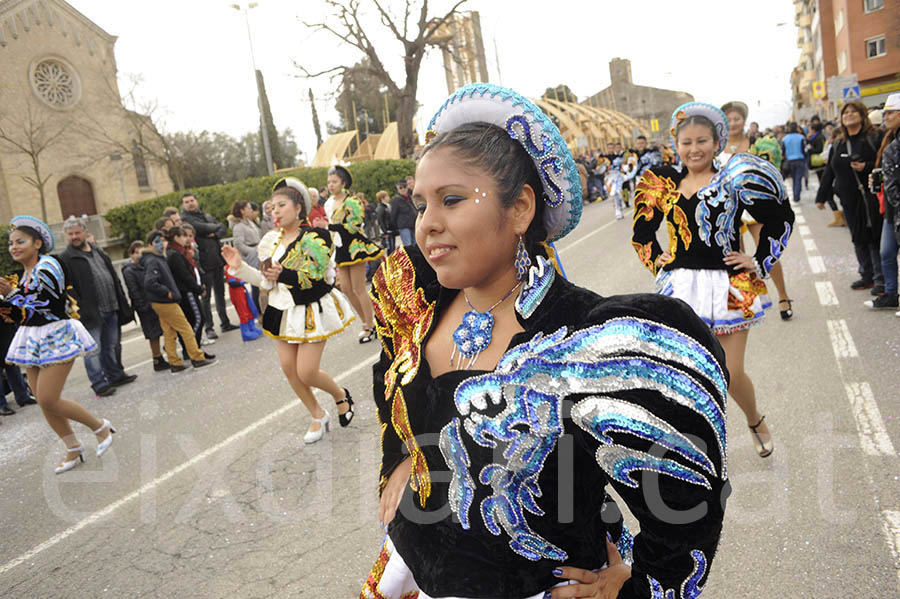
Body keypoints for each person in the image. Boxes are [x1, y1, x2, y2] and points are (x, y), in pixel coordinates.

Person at [363, 84, 729, 599]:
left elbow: (684, 501)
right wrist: (402, 456)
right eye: (420, 204)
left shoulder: (587, 333)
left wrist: (636, 587)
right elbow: (391, 384)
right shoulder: (415, 303)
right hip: (413, 568)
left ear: (520, 209)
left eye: (451, 200)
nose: (428, 225)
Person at [632, 102, 795, 460]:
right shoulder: (663, 182)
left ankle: (754, 420)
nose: (694, 149)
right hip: (683, 288)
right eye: (686, 142)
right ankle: (696, 444)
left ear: (717, 141)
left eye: (702, 140)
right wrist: (656, 260)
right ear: (676, 144)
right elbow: (643, 229)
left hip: (732, 284)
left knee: (731, 372)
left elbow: (780, 214)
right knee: (687, 372)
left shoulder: (734, 178)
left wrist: (758, 257)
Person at [222, 181, 356, 443]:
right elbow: (266, 282)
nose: (275, 212)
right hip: (281, 312)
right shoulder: (270, 241)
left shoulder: (316, 238)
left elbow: (317, 279)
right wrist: (240, 267)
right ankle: (317, 414)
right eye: (272, 207)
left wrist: (285, 274)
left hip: (310, 310)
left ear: (299, 207)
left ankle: (340, 395)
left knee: (307, 371)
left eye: (281, 205)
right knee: (289, 369)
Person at [1, 216, 115, 473]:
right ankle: (73, 447)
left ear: (38, 243)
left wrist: (11, 295)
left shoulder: (49, 265)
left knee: (48, 398)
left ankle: (100, 426)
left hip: (56, 335)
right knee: (43, 401)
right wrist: (6, 300)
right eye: (11, 243)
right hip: (32, 337)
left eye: (21, 241)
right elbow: (21, 311)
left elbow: (46, 304)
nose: (14, 247)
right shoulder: (25, 273)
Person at [722, 101, 796, 320]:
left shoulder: (757, 143)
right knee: (736, 256)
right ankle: (746, 299)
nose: (733, 123)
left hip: (753, 208)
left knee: (765, 249)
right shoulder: (715, 146)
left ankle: (783, 296)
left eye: (737, 118)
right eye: (728, 119)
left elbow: (771, 174)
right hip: (728, 211)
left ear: (744, 119)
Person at [59, 217, 136, 397]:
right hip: (90, 312)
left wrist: (122, 301)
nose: (74, 237)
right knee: (93, 350)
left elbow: (113, 278)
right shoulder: (66, 258)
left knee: (112, 345)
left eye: (77, 232)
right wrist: (80, 307)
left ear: (85, 232)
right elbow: (67, 288)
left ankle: (115, 375)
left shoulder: (99, 252)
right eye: (70, 234)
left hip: (111, 305)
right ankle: (99, 383)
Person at [816, 101, 885, 294]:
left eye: (854, 112)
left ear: (863, 116)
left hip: (869, 197)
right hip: (848, 199)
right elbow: (830, 170)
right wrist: (821, 197)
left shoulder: (874, 137)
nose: (849, 115)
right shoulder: (838, 143)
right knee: (857, 237)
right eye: (846, 113)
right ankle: (866, 275)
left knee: (873, 237)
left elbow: (885, 164)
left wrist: (867, 167)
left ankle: (880, 279)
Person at [141, 230, 217, 373]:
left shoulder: (158, 258)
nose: (163, 244)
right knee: (186, 328)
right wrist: (167, 293)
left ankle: (174, 361)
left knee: (169, 332)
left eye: (163, 241)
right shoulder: (152, 260)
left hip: (162, 301)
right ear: (151, 244)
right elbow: (150, 282)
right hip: (164, 301)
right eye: (158, 241)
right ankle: (196, 357)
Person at [325, 166, 383, 343]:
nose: (331, 185)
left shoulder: (352, 201)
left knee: (358, 288)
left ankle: (371, 326)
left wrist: (330, 227)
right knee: (346, 288)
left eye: (334, 182)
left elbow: (354, 225)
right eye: (329, 182)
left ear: (343, 183)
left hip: (354, 247)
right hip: (340, 248)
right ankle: (366, 321)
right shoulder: (328, 203)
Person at [179, 193, 238, 339]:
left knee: (220, 293)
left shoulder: (205, 214)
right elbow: (202, 228)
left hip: (217, 259)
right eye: (187, 202)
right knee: (206, 297)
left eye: (192, 200)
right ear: (183, 205)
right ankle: (209, 327)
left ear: (196, 201)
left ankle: (225, 322)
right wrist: (214, 229)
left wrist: (215, 232)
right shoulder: (186, 219)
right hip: (204, 263)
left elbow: (222, 228)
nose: (190, 203)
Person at [865, 93, 900, 311]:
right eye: (885, 113)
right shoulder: (890, 140)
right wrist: (879, 177)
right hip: (891, 210)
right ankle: (890, 294)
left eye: (890, 112)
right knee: (886, 253)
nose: (886, 116)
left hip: (896, 209)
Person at [121, 241, 168, 372]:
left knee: (162, 329)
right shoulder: (129, 271)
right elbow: (133, 290)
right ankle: (157, 358)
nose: (139, 256)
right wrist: (142, 306)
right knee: (153, 333)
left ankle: (165, 351)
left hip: (155, 302)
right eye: (136, 253)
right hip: (145, 306)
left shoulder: (146, 266)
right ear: (131, 254)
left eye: (141, 252)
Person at [164, 226, 207, 350]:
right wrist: (198, 289)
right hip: (186, 291)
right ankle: (193, 349)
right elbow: (184, 276)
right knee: (198, 319)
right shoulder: (174, 254)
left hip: (190, 290)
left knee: (193, 320)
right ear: (176, 237)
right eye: (183, 236)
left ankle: (194, 349)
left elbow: (193, 270)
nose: (185, 239)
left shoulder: (181, 251)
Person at [230, 199, 262, 314]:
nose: (251, 210)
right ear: (242, 211)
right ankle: (258, 312)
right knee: (256, 285)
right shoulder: (238, 226)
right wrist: (254, 251)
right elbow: (239, 244)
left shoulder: (251, 223)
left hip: (258, 252)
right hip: (251, 256)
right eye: (248, 208)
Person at [782, 122, 807, 203]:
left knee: (793, 179)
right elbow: (804, 149)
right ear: (796, 128)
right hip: (800, 160)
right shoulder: (801, 137)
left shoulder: (785, 138)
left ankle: (795, 195)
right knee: (798, 179)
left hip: (789, 161)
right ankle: (796, 196)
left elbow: (783, 151)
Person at [390, 178, 417, 247]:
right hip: (404, 226)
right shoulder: (396, 200)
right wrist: (395, 228)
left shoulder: (410, 197)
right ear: (398, 188)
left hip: (413, 224)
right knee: (408, 245)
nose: (403, 189)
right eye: (400, 187)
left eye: (404, 187)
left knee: (415, 244)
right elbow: (393, 215)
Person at [375, 190, 395, 255]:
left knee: (392, 247)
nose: (388, 198)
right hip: (387, 231)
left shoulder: (387, 206)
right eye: (387, 196)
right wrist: (384, 231)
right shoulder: (381, 208)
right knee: (389, 248)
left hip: (391, 230)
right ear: (382, 198)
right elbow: (380, 220)